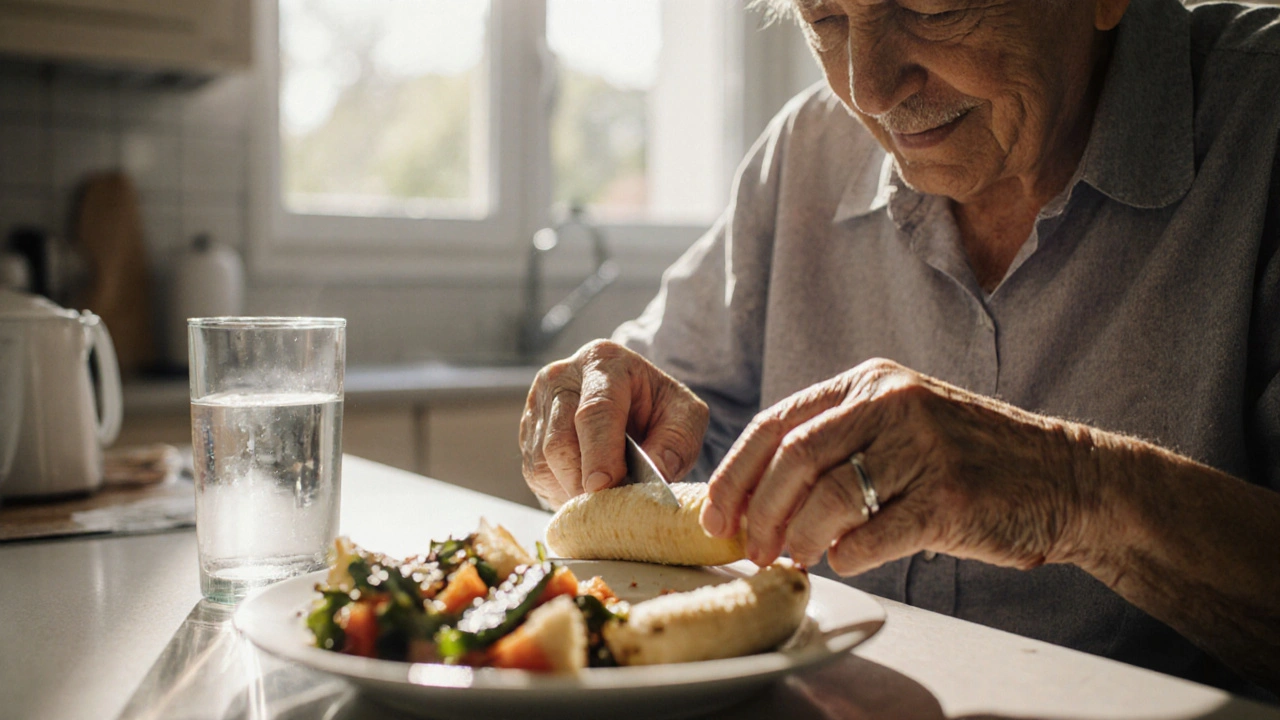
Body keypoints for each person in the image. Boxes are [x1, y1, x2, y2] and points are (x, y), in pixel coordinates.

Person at [519, 0, 1280, 698]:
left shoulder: (1263, 121)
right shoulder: (807, 148)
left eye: (931, 6)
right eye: (825, 18)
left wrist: (1073, 488)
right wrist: (607, 416)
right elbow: (677, 421)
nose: (871, 87)